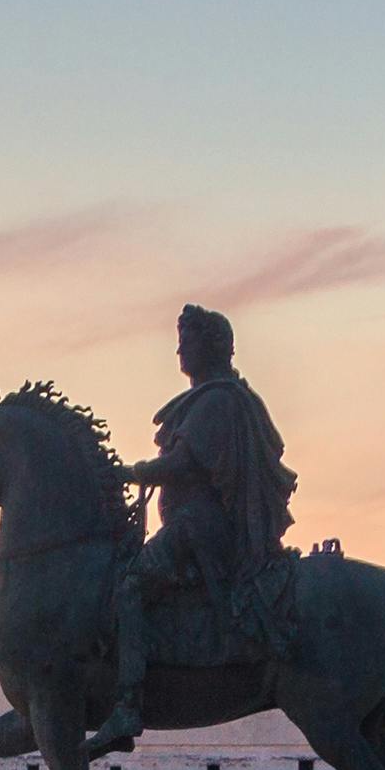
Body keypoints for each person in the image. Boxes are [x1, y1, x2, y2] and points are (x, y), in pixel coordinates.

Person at [104, 304, 293, 733]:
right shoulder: (216, 399)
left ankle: (129, 705)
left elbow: (183, 463)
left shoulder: (219, 401)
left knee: (129, 587)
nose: (178, 352)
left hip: (200, 527)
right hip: (195, 523)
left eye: (186, 342)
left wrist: (129, 473)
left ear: (211, 347)